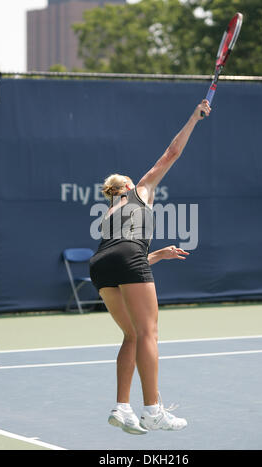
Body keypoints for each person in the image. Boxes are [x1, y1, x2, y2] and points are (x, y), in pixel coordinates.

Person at [89, 99, 211, 434]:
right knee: (148, 333)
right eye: (132, 178)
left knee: (131, 334)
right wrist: (193, 118)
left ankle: (122, 407)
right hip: (127, 259)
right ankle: (153, 409)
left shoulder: (108, 215)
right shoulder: (140, 190)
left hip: (100, 265)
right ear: (127, 186)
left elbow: (121, 257)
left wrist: (157, 255)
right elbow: (171, 153)